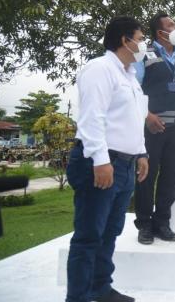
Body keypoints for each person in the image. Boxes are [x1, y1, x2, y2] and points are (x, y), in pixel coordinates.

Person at [66, 16, 149, 302]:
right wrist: (101, 161)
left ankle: (101, 289)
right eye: (140, 38)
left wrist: (142, 153)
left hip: (125, 164)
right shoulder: (100, 69)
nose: (142, 44)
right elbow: (92, 119)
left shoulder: (129, 77)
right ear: (125, 40)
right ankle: (77, 297)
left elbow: (133, 119)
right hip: (100, 162)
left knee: (110, 233)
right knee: (89, 236)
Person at [133, 12, 175, 244]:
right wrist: (147, 115)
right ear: (159, 32)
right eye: (171, 25)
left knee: (171, 177)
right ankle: (144, 225)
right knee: (146, 175)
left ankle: (162, 222)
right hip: (153, 127)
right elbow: (132, 90)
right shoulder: (144, 55)